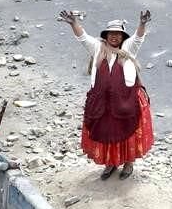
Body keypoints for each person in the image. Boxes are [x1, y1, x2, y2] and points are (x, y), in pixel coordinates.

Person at [60, 11, 154, 179]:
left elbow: (138, 37)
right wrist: (73, 23)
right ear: (106, 35)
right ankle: (111, 163)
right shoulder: (97, 48)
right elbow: (83, 37)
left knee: (127, 131)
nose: (114, 37)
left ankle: (128, 163)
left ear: (123, 36)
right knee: (106, 132)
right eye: (111, 33)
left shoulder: (128, 49)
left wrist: (142, 23)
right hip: (102, 102)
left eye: (118, 34)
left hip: (126, 101)